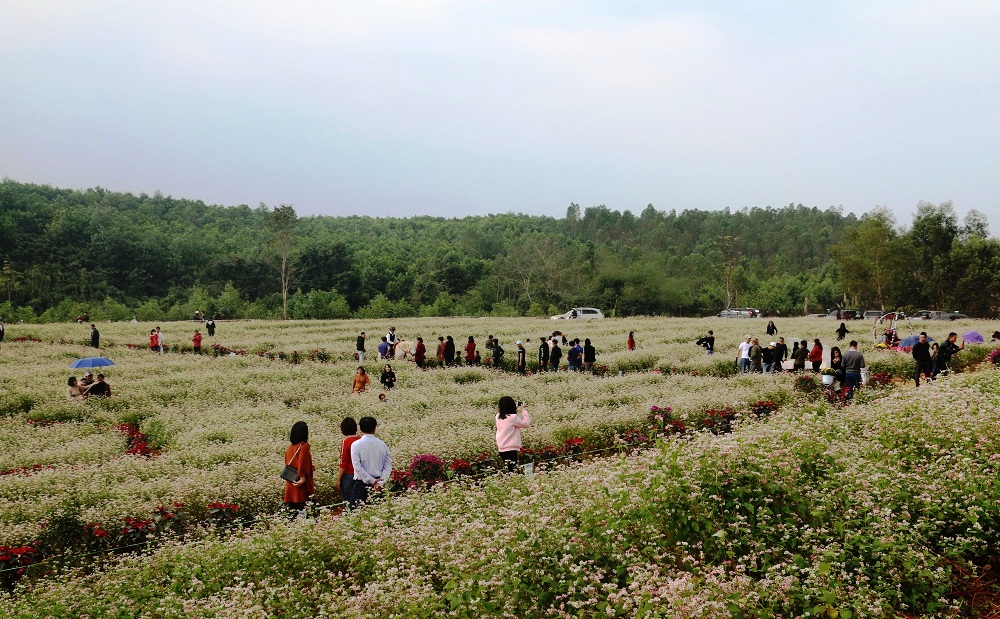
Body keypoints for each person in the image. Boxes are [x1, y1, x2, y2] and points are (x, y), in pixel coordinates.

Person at [350, 416, 392, 508]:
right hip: (379, 485)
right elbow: (388, 466)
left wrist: (372, 481)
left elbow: (357, 467)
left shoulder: (356, 445)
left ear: (360, 428)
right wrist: (380, 483)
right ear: (375, 428)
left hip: (361, 485)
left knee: (355, 514)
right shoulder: (383, 445)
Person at [283, 421, 315, 514]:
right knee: (307, 511)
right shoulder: (304, 446)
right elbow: (302, 462)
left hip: (291, 482)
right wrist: (302, 478)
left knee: (293, 512)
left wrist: (310, 466)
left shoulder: (290, 447)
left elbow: (288, 462)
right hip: (300, 484)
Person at [495, 396, 530, 473]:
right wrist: (523, 410)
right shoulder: (513, 417)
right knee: (513, 471)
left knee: (510, 470)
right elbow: (526, 424)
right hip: (511, 449)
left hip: (501, 449)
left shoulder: (498, 416)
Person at [336, 417, 361, 508]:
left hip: (348, 475)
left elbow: (343, 462)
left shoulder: (346, 442)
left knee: (348, 503)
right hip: (361, 474)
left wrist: (338, 479)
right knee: (359, 502)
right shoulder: (361, 439)